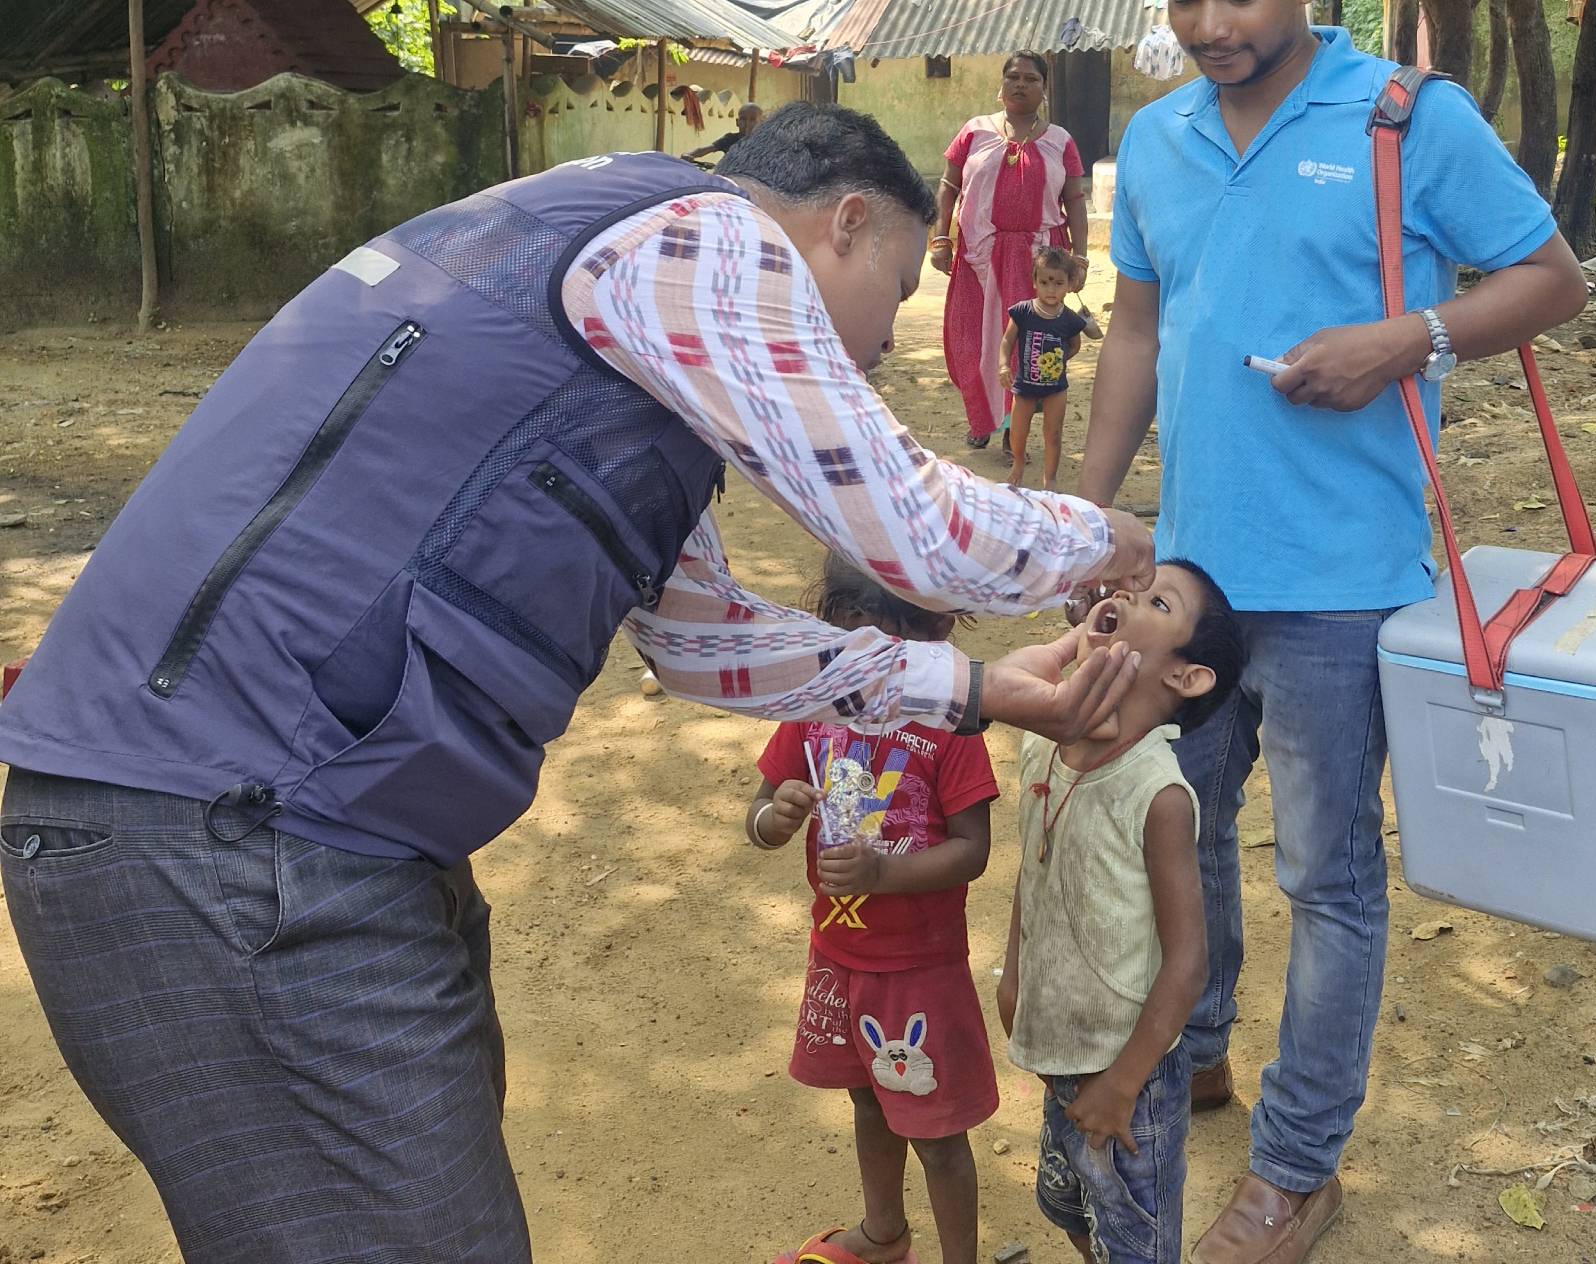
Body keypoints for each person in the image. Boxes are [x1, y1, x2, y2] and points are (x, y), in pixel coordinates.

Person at [0, 103, 1160, 1263]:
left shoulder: (608, 263)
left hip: (287, 826)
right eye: (900, 289)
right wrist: (1116, 538)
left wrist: (973, 689)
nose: (879, 348)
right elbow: (914, 532)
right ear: (845, 223)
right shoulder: (705, 237)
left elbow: (701, 638)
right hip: (229, 835)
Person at [1077, 0, 1588, 1264]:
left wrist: (1406, 339)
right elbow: (1134, 329)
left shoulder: (1405, 119)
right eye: (1185, 1)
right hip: (1189, 587)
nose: (1212, 28)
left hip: (1344, 587)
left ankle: (1298, 1165)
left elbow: (1554, 280)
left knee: (1327, 877)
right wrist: (1095, 512)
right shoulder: (1164, 142)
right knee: (1176, 832)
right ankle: (1200, 1041)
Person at [753, 554, 999, 1264]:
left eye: (893, 648)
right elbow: (761, 808)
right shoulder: (815, 706)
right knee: (866, 1098)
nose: (869, 666)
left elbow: (972, 848)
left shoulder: (949, 720)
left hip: (918, 968)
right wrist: (775, 817)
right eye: (853, 644)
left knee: (937, 1132)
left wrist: (883, 875)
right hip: (838, 955)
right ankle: (885, 1233)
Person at [1000, 562, 1244, 1264]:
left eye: (1157, 600)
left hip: (1127, 1074)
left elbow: (1188, 960)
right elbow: (1034, 863)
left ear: (1187, 676)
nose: (1127, 595)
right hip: (1060, 1052)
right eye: (1128, 587)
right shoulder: (1041, 739)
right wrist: (1015, 977)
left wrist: (1124, 1083)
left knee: (1134, 1239)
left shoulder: (1157, 797)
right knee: (1071, 1206)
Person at [931, 52, 1092, 450]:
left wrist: (1080, 258)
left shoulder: (1060, 142)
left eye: (1031, 79)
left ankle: (1010, 428)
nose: (1021, 84)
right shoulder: (975, 131)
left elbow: (1074, 200)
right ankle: (981, 418)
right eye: (1014, 77)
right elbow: (948, 186)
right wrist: (940, 238)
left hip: (1040, 261)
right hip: (979, 257)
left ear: (1043, 88)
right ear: (1001, 86)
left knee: (1031, 344)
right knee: (973, 338)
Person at [1001, 245, 1090, 490]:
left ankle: (1049, 478)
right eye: (1045, 282)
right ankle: (1018, 462)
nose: (1051, 290)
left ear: (1070, 284)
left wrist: (1055, 364)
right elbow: (1008, 340)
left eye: (1058, 283)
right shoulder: (1022, 312)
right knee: (1018, 432)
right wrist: (1002, 365)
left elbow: (1074, 346)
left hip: (1056, 389)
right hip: (1024, 385)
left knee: (1053, 434)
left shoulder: (1071, 319)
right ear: (1035, 282)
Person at [682, 100, 763, 162]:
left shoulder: (766, 143)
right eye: (743, 119)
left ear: (761, 123)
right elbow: (705, 149)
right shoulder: (730, 139)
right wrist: (689, 154)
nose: (747, 124)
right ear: (737, 122)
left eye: (752, 120)